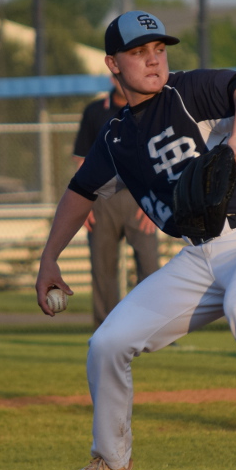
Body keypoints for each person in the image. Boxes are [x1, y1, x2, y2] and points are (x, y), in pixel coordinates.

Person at [36, 10, 236, 470]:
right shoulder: (115, 136)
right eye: (139, 52)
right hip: (199, 257)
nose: (153, 59)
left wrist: (235, 146)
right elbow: (80, 191)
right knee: (107, 344)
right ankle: (113, 462)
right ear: (113, 64)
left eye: (158, 49)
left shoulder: (187, 91)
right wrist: (49, 257)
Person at [72, 75, 159, 329]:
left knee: (150, 266)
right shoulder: (95, 111)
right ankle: (106, 331)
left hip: (140, 198)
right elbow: (82, 161)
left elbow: (158, 156)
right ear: (113, 74)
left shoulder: (151, 108)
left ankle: (151, 328)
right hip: (102, 199)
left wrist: (154, 199)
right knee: (103, 269)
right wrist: (83, 202)